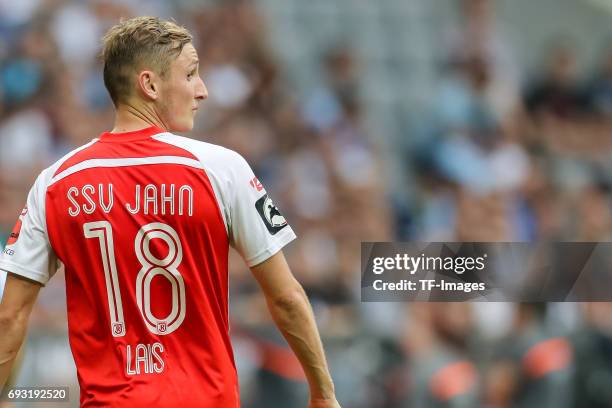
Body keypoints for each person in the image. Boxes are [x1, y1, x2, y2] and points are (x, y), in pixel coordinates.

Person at [0, 16, 340, 408]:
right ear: (150, 84)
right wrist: (322, 392)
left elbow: (10, 317)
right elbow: (286, 298)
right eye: (191, 74)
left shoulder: (55, 182)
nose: (203, 91)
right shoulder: (222, 169)